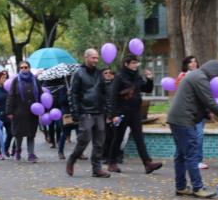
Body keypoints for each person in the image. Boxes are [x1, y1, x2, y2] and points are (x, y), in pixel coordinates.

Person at [167, 60, 218, 198]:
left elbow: (196, 99)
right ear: (213, 72)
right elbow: (210, 102)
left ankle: (181, 186)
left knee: (181, 155)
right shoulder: (200, 78)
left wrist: (207, 114)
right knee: (191, 153)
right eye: (215, 77)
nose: (214, 80)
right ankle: (197, 187)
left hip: (176, 118)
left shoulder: (195, 75)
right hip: (184, 119)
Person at [108, 54, 163, 174]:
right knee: (118, 138)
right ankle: (112, 162)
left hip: (135, 112)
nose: (135, 65)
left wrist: (149, 79)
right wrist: (114, 114)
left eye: (136, 63)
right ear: (126, 64)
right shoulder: (119, 77)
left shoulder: (137, 76)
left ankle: (147, 163)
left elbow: (146, 89)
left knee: (139, 138)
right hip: (122, 112)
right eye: (133, 63)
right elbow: (112, 97)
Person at [66, 48, 110, 178]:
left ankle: (97, 169)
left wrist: (108, 110)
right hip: (85, 111)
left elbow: (104, 93)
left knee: (99, 142)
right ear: (87, 58)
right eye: (93, 58)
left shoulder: (99, 74)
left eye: (97, 58)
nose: (96, 60)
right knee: (84, 139)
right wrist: (75, 112)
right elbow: (73, 94)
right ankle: (72, 159)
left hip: (99, 112)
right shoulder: (78, 74)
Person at [6, 61, 42, 162]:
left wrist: (43, 109)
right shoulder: (15, 81)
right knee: (19, 134)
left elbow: (40, 94)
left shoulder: (34, 80)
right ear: (19, 69)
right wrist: (9, 111)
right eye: (22, 67)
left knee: (31, 134)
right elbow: (10, 96)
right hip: (19, 112)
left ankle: (31, 154)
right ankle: (17, 151)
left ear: (29, 68)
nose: (24, 69)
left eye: (26, 67)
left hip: (32, 112)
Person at [177, 56, 207, 169]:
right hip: (187, 111)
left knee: (199, 135)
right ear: (186, 64)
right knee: (190, 136)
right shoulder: (182, 76)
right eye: (191, 62)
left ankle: (198, 159)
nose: (193, 63)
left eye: (195, 61)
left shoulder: (202, 75)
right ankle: (190, 159)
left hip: (200, 110)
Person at [0, 71, 13, 159]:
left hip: (8, 114)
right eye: (3, 78)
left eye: (6, 77)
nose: (5, 79)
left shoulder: (7, 88)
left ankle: (5, 148)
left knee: (11, 132)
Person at [102, 68, 116, 164]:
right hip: (105, 114)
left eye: (110, 73)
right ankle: (105, 155)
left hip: (114, 114)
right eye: (105, 73)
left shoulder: (115, 85)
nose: (108, 74)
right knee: (106, 136)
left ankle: (113, 156)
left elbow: (112, 101)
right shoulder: (102, 85)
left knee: (114, 136)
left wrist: (110, 115)